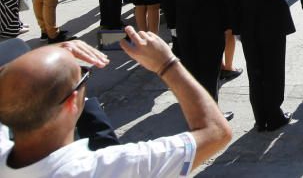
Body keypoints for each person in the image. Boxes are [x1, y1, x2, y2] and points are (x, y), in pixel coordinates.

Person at [0, 27, 232, 174]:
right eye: (83, 76)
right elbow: (216, 132)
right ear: (72, 103)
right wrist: (167, 64)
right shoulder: (109, 167)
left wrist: (52, 58)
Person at [225, 0, 296, 131]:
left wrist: (237, 29)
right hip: (272, 28)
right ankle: (274, 115)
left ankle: (260, 118)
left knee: (255, 73)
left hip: (248, 28)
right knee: (273, 72)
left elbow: (233, 2)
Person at [159, 0, 233, 114]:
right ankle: (211, 113)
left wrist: (173, 28)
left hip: (184, 26)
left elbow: (167, 2)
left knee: (191, 70)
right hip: (210, 27)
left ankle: (194, 110)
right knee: (210, 71)